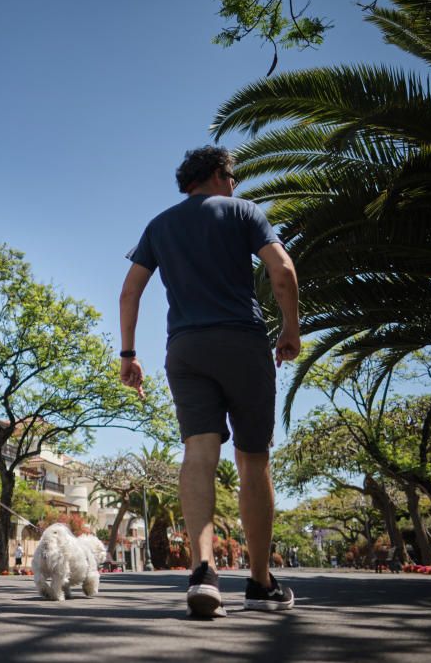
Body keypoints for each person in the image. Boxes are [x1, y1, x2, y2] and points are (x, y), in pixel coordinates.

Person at [119, 146, 300, 618]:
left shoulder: (159, 225)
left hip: (185, 350)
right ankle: (259, 584)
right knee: (253, 459)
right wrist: (290, 329)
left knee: (198, 453)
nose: (235, 184)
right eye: (232, 175)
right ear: (217, 176)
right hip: (241, 342)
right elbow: (282, 271)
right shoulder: (244, 212)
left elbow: (130, 291)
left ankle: (203, 574)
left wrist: (128, 353)